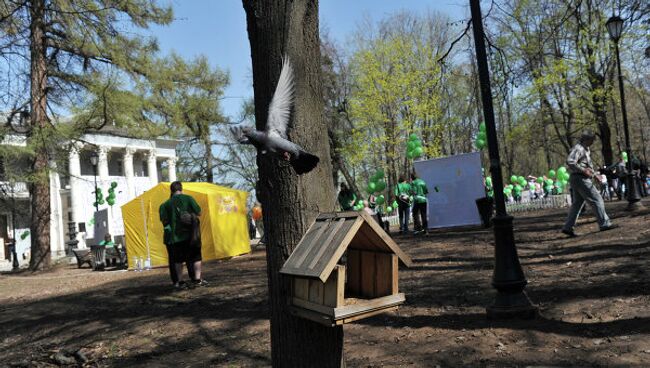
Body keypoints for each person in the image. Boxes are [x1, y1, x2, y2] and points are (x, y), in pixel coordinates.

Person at [561, 131, 618, 237]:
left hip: (579, 178)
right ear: (586, 139)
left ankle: (568, 227)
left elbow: (588, 167)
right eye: (592, 140)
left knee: (577, 204)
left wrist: (595, 175)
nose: (593, 142)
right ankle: (604, 224)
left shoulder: (586, 150)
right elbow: (570, 161)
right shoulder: (579, 148)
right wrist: (583, 171)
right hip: (580, 178)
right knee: (597, 199)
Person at [159, 181, 207, 289]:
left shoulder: (165, 204)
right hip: (191, 235)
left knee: (178, 260)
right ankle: (197, 280)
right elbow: (199, 212)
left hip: (176, 237)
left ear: (171, 190)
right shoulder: (189, 198)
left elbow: (165, 221)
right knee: (195, 257)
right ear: (181, 189)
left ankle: (180, 282)